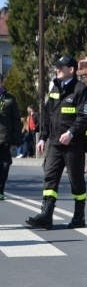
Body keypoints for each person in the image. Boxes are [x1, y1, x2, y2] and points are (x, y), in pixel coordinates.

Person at [24, 55, 87, 229]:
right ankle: (46, 215)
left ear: (72, 70)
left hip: (73, 145)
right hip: (54, 143)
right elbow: (47, 115)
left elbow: (84, 117)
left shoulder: (82, 90)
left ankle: (79, 216)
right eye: (57, 67)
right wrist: (43, 137)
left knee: (76, 180)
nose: (58, 69)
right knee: (50, 177)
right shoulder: (55, 88)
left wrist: (71, 133)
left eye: (62, 67)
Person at [0, 72, 22, 201]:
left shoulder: (10, 98)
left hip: (4, 137)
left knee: (4, 164)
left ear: (2, 82)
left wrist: (17, 137)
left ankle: (1, 189)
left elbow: (16, 119)